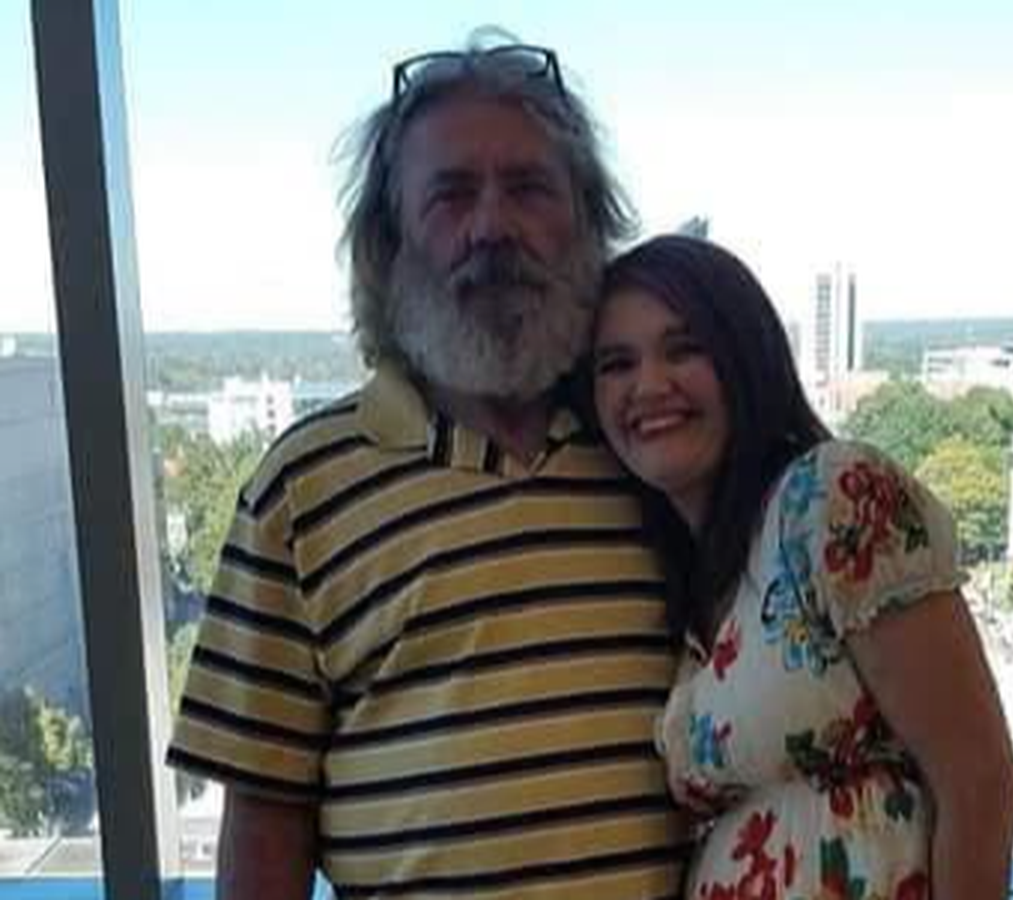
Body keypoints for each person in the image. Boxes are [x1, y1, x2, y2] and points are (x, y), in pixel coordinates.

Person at [167, 36, 688, 899]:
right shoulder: (302, 489)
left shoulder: (654, 453)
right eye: (450, 195)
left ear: (588, 225)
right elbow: (264, 824)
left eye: (529, 188)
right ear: (389, 243)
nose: (492, 226)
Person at [590, 234, 1013, 899]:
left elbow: (981, 785)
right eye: (616, 363)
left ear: (745, 356)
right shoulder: (694, 580)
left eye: (684, 349)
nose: (648, 385)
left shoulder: (830, 500)